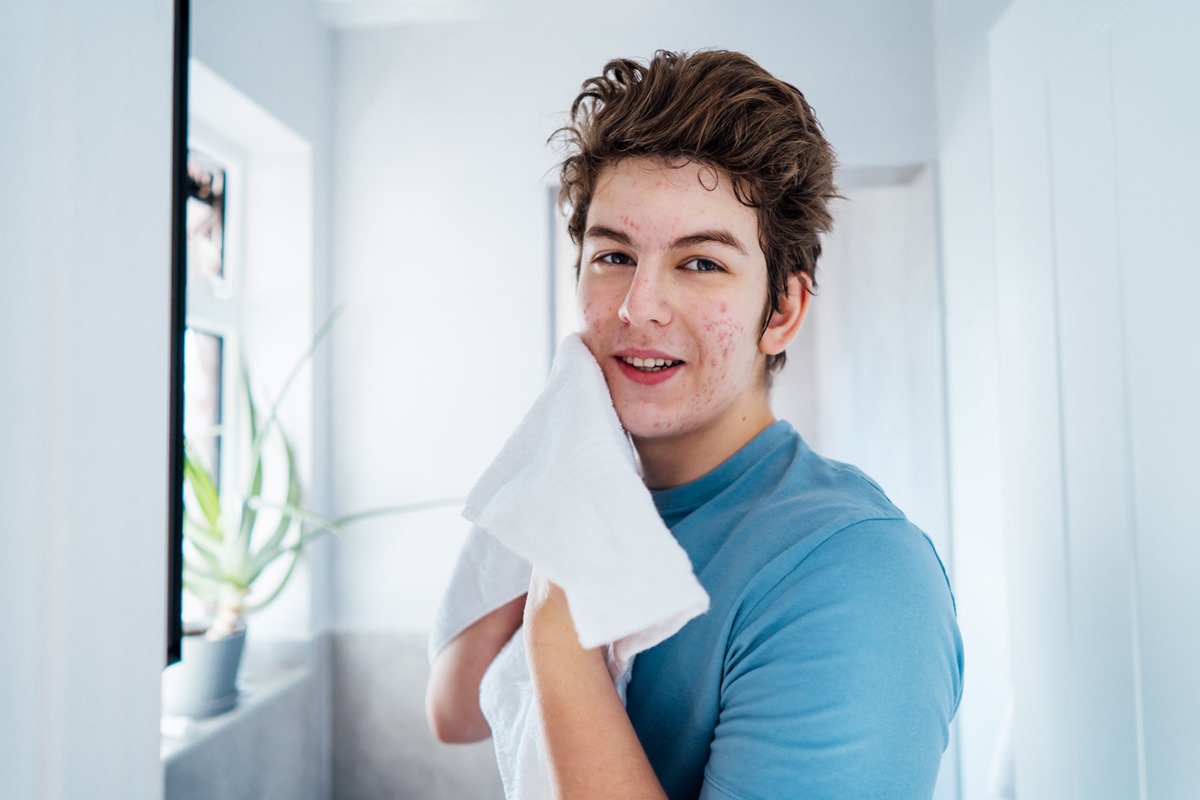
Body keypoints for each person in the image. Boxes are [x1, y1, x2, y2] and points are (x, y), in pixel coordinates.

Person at [427, 49, 963, 799]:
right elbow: (456, 710)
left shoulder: (858, 574)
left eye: (701, 263)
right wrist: (557, 482)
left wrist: (558, 612)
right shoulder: (586, 478)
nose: (637, 306)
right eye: (613, 254)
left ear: (781, 310)